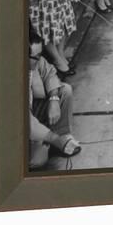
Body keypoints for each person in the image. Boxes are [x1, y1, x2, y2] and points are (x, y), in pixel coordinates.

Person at [29, 26, 81, 170]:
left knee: (65, 90)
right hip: (22, 126)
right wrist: (54, 139)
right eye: (36, 56)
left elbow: (50, 72)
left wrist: (53, 99)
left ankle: (61, 136)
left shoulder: (35, 61)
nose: (40, 59)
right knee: (37, 161)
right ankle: (51, 142)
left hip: (34, 109)